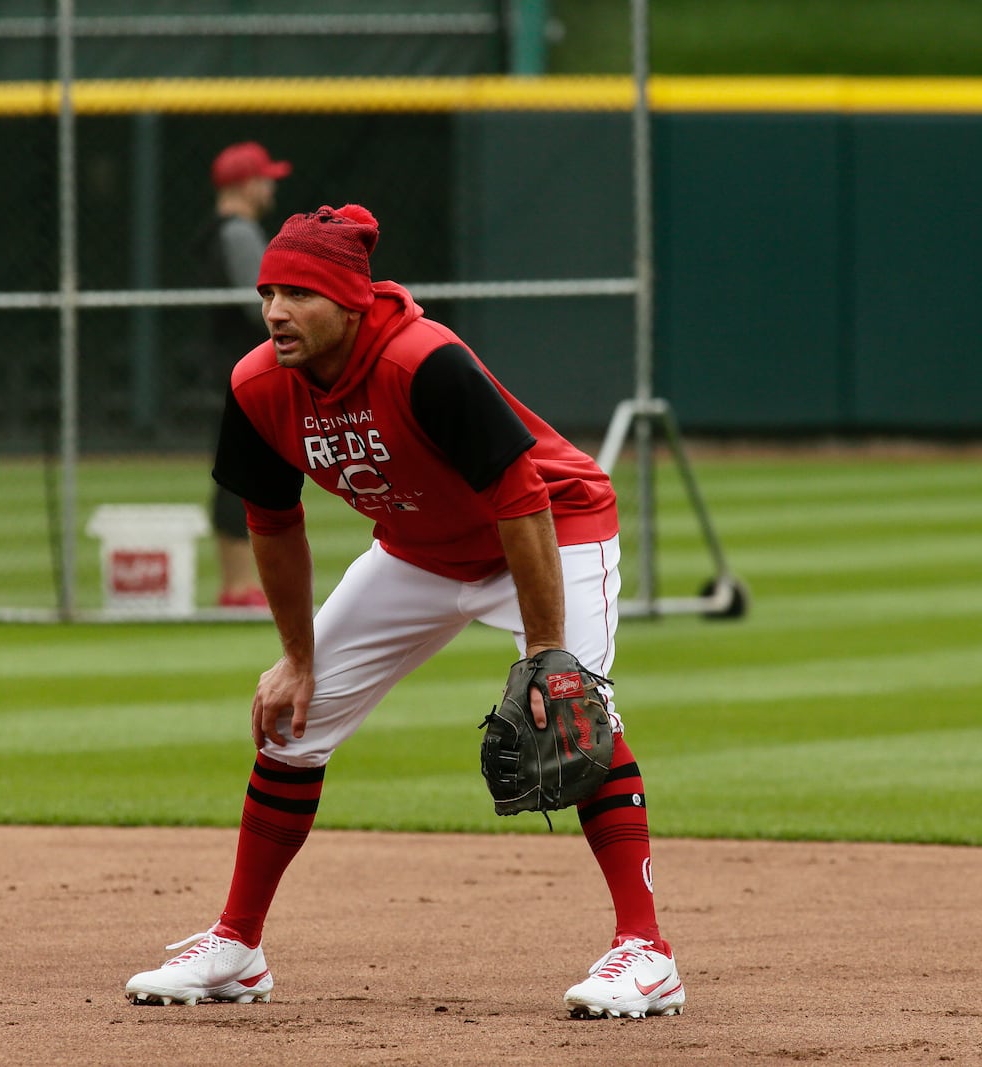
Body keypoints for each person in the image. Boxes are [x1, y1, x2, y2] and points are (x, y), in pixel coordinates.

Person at [125, 204, 685, 1019]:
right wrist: (298, 657)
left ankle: (646, 952)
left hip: (550, 525)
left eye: (299, 294)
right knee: (294, 720)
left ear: (350, 304)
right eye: (268, 292)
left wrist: (546, 652)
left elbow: (521, 495)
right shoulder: (257, 386)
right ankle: (237, 947)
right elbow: (273, 523)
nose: (276, 311)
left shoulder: (425, 364)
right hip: (418, 549)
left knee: (572, 714)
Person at [197, 141, 292, 609]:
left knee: (236, 474)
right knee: (242, 476)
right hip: (242, 371)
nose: (271, 184)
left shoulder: (221, 230)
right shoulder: (237, 232)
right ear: (245, 183)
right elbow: (257, 305)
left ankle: (236, 585)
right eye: (265, 176)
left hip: (227, 366)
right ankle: (237, 587)